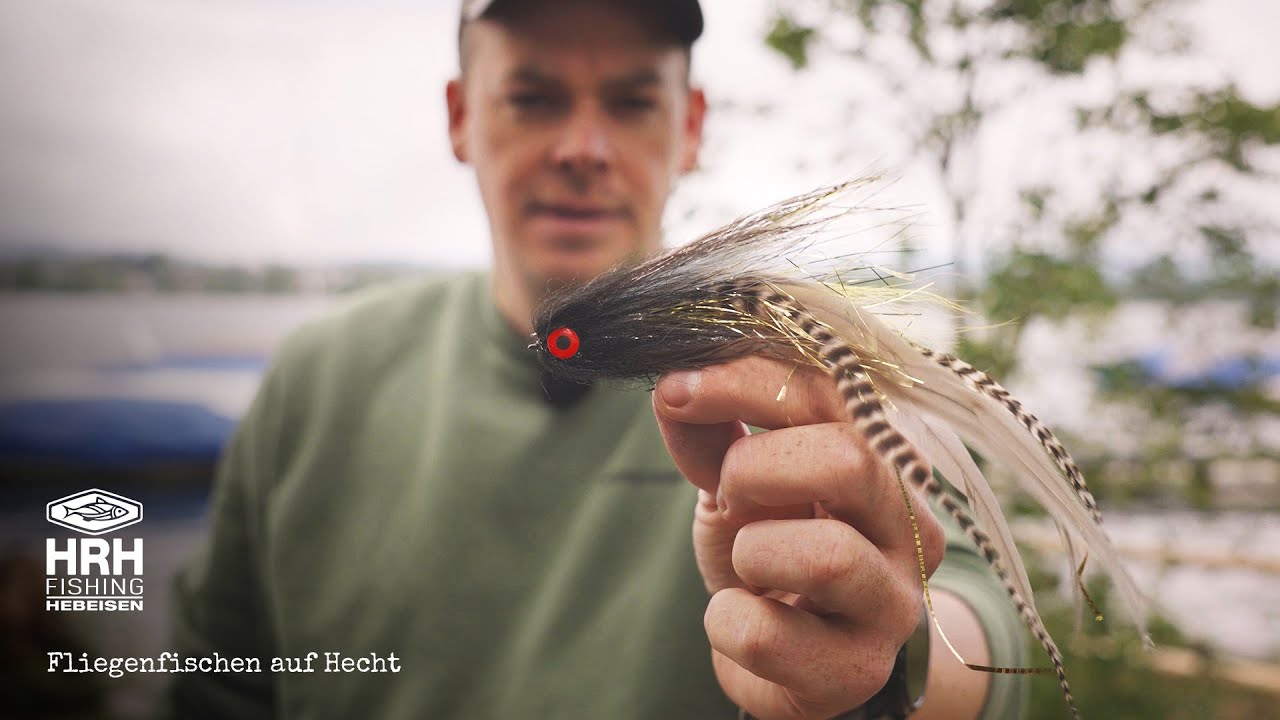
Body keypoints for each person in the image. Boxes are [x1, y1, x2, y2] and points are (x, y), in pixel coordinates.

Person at [163, 1, 1029, 718]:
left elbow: (972, 622)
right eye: (534, 99)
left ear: (690, 128)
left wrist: (888, 655)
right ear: (461, 117)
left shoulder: (791, 389)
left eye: (630, 103)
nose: (584, 148)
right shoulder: (313, 380)